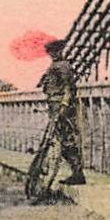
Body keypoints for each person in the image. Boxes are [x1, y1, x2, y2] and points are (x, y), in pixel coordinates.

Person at [38, 39, 86, 185]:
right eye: (51, 52)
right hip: (54, 106)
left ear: (60, 51)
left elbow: (68, 88)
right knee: (61, 139)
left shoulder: (63, 66)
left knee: (67, 140)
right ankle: (76, 172)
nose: (53, 54)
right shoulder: (55, 66)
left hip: (61, 107)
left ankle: (78, 173)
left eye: (55, 51)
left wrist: (64, 105)